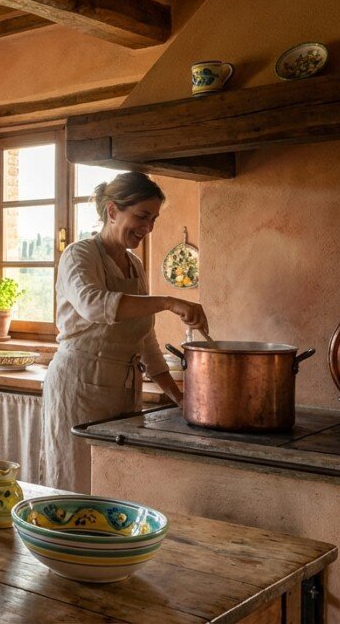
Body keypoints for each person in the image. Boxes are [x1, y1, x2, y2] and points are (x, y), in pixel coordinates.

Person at [41, 172, 207, 493]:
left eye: (154, 219)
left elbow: (143, 338)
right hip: (78, 388)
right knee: (77, 484)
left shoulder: (134, 265)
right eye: (142, 216)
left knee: (116, 487)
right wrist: (169, 301)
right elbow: (93, 304)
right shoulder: (80, 255)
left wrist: (177, 396)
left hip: (122, 394)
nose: (148, 228)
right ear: (113, 211)